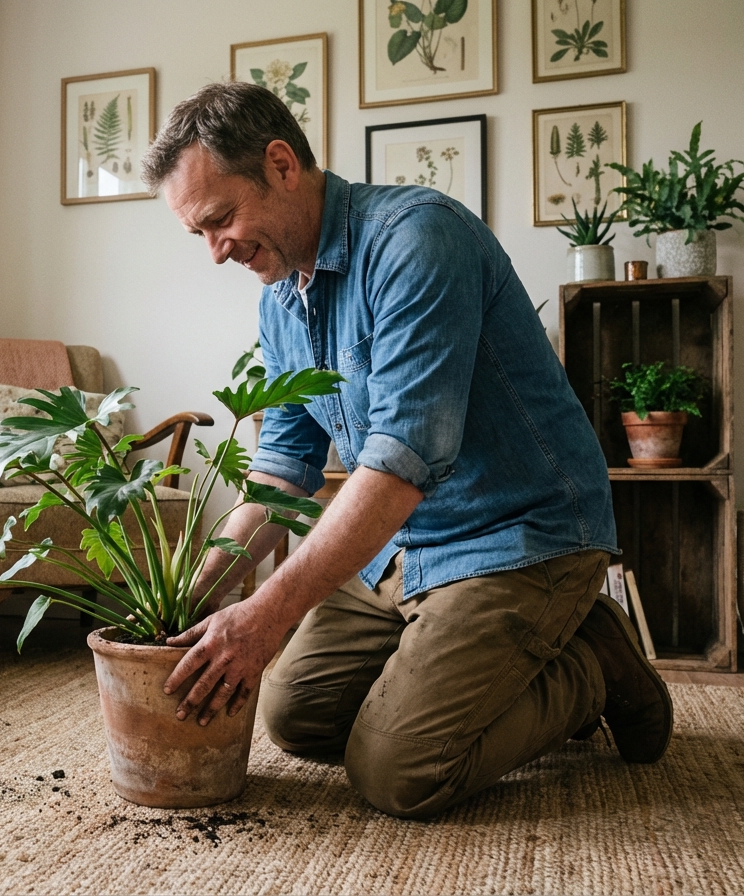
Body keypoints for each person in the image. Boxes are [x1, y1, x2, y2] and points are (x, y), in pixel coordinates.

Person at [139, 82, 672, 819]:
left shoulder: (418, 239)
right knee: (296, 718)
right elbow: (281, 469)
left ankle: (591, 667)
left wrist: (263, 616)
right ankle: (500, 652)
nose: (215, 251)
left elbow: (399, 466)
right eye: (198, 232)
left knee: (398, 771)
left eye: (221, 219)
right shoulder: (279, 299)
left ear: (282, 165)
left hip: (515, 535)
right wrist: (199, 592)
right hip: (397, 547)